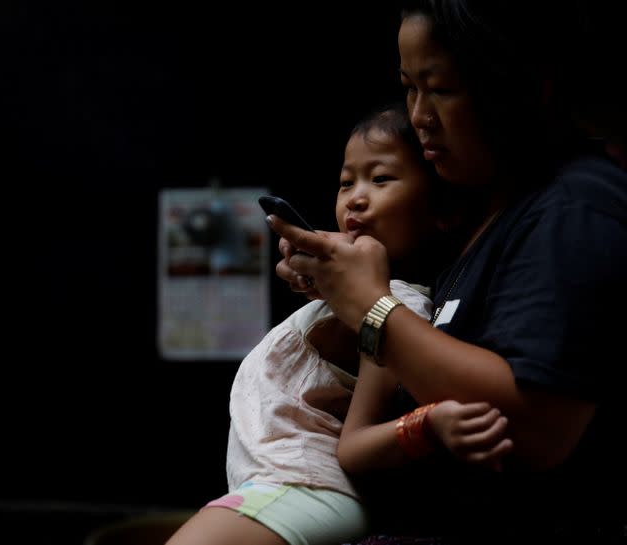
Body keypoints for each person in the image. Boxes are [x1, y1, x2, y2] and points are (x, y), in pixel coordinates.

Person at [269, 1, 627, 543]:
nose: (419, 116)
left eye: (441, 88)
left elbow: (534, 427)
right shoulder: (489, 216)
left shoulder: (573, 206)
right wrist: (332, 287)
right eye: (410, 87)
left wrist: (370, 308)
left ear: (530, 85)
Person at [166, 103, 511, 545]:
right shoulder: (363, 294)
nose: (356, 197)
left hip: (302, 487)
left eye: (381, 179)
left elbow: (356, 446)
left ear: (442, 210)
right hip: (283, 484)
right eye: (347, 181)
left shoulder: (394, 306)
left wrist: (428, 423)